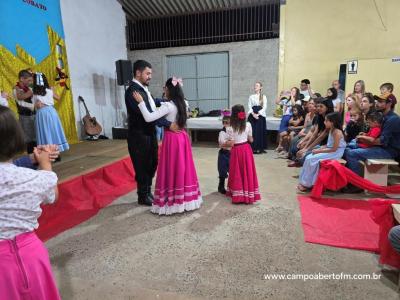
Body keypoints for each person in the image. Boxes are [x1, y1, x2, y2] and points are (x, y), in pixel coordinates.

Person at [0, 106, 61, 299]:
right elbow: (53, 195)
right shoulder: (33, 179)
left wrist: (32, 159)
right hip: (32, 256)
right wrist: (45, 164)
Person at [133, 76, 202, 215]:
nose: (164, 90)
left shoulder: (168, 106)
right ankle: (185, 199)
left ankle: (173, 201)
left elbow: (148, 117)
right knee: (182, 167)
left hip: (172, 139)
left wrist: (141, 102)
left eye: (164, 88)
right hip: (182, 137)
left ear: (169, 89)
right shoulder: (183, 103)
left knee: (172, 168)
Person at [125, 60, 178, 206]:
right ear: (138, 73)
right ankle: (143, 195)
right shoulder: (133, 91)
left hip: (149, 133)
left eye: (150, 74)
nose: (150, 76)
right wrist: (168, 124)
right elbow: (147, 115)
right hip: (139, 135)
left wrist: (169, 101)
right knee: (142, 165)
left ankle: (148, 191)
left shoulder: (142, 88)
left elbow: (152, 101)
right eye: (147, 73)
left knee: (152, 163)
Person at [344, 93, 400, 192]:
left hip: (388, 150)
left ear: (389, 104)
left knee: (351, 153)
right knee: (347, 148)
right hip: (380, 147)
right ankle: (349, 180)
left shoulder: (393, 119)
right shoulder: (381, 116)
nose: (377, 104)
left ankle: (357, 185)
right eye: (377, 101)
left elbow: (381, 141)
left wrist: (361, 139)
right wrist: (363, 138)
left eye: (381, 102)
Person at [297, 112, 346, 192]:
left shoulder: (337, 132)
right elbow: (329, 144)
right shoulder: (330, 130)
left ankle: (308, 184)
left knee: (311, 159)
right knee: (308, 157)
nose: (324, 122)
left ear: (332, 122)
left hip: (336, 153)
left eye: (326, 121)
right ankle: (304, 182)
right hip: (330, 150)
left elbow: (334, 148)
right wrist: (323, 147)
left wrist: (319, 151)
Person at [225, 105, 260, 204]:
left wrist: (223, 142)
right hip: (246, 149)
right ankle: (248, 193)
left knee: (236, 171)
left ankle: (238, 194)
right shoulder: (248, 124)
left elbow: (231, 143)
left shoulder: (230, 127)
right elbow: (251, 140)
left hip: (236, 150)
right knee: (247, 171)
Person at [32, 73, 69, 157]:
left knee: (45, 132)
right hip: (51, 112)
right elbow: (58, 98)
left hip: (42, 113)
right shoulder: (49, 91)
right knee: (53, 131)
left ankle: (48, 152)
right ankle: (56, 152)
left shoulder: (35, 93)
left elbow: (37, 106)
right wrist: (52, 91)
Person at [13, 69, 36, 153]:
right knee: (29, 138)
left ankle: (40, 157)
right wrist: (30, 94)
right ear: (21, 79)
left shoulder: (29, 88)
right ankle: (33, 159)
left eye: (31, 80)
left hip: (34, 114)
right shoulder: (16, 89)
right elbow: (20, 100)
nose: (30, 82)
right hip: (25, 116)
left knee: (36, 136)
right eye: (28, 80)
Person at [275, 87, 299, 152]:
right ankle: (280, 146)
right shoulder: (286, 100)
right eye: (291, 91)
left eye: (294, 91)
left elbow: (294, 104)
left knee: (285, 133)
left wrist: (291, 96)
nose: (292, 92)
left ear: (297, 93)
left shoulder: (297, 100)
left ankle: (283, 147)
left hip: (291, 117)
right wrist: (281, 95)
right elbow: (277, 102)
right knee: (281, 132)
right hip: (285, 116)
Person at [248, 82, 268, 154]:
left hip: (260, 115)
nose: (255, 86)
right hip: (253, 115)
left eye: (257, 85)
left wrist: (258, 114)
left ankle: (260, 147)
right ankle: (252, 147)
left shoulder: (263, 96)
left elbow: (264, 107)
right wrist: (253, 114)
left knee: (259, 131)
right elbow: (249, 106)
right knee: (252, 131)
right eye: (255, 85)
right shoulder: (251, 96)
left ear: (260, 87)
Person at [217, 115, 232, 194]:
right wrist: (230, 143)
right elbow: (221, 144)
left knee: (232, 170)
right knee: (222, 170)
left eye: (229, 123)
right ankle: (221, 186)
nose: (227, 125)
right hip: (223, 153)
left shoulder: (233, 131)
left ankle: (232, 186)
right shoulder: (222, 132)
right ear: (223, 123)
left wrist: (229, 142)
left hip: (231, 153)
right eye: (225, 123)